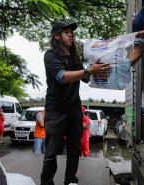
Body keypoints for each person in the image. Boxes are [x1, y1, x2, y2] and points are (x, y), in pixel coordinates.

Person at [41, 21, 112, 185]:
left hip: (74, 110)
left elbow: (86, 79)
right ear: (56, 36)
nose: (71, 34)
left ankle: (70, 180)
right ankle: (46, 182)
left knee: (74, 150)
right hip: (55, 111)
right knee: (51, 152)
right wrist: (87, 71)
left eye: (71, 32)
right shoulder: (51, 55)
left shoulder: (74, 56)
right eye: (66, 32)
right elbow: (62, 77)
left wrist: (94, 65)